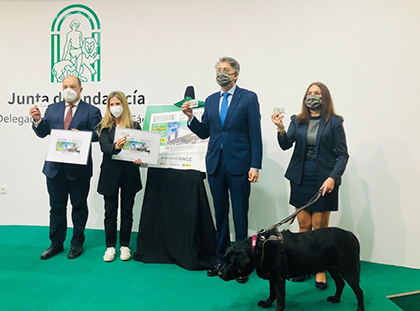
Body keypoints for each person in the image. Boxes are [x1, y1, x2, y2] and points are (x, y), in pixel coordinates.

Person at [181, 57, 263, 284]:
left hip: (240, 166)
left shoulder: (248, 98)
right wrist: (190, 118)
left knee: (239, 215)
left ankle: (243, 263)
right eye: (218, 70)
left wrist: (254, 165)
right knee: (220, 214)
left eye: (226, 70)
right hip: (216, 164)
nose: (221, 73)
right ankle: (222, 259)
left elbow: (255, 135)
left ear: (235, 74)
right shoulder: (210, 100)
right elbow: (206, 132)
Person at [271, 82, 349, 290]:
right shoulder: (297, 120)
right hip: (301, 178)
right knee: (304, 225)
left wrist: (333, 178)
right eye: (309, 93)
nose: (312, 96)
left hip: (324, 181)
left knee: (320, 228)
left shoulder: (334, 122)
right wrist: (280, 128)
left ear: (324, 98)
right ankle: (303, 264)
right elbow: (287, 144)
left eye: (317, 93)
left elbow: (342, 155)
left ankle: (320, 269)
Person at [29, 76, 102, 260]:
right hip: (54, 168)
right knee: (56, 207)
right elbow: (43, 132)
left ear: (80, 89)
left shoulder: (92, 111)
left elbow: (99, 133)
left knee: (79, 207)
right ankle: (56, 244)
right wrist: (37, 121)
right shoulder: (53, 109)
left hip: (78, 170)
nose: (68, 89)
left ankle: (77, 243)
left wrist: (82, 135)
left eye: (72, 87)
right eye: (65, 86)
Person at [96, 91, 143, 262]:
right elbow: (105, 148)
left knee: (127, 212)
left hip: (129, 173)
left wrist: (140, 159)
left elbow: (140, 148)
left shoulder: (134, 125)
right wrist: (115, 146)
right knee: (110, 212)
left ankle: (124, 245)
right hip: (110, 174)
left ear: (124, 104)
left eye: (118, 103)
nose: (115, 107)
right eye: (111, 104)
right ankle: (110, 246)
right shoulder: (103, 126)